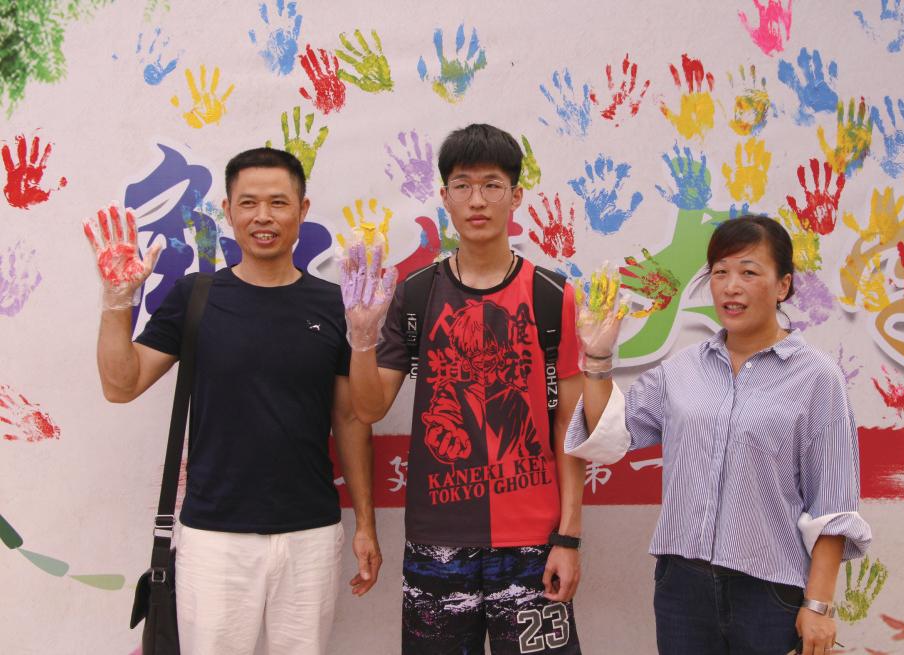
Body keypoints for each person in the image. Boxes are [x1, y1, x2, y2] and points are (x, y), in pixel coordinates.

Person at [84, 147, 381, 655]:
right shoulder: (196, 296)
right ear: (228, 210)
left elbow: (352, 419)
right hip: (213, 537)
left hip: (310, 533)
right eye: (248, 203)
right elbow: (121, 385)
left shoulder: (335, 306)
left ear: (302, 210)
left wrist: (367, 526)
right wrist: (117, 302)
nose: (263, 216)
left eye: (278, 203)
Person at [565, 215, 872, 655]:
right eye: (720, 272)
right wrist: (597, 356)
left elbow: (833, 503)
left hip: (768, 593)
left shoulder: (817, 377)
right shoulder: (682, 370)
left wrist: (818, 605)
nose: (731, 287)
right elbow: (608, 434)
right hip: (682, 588)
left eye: (749, 272)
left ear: (783, 285)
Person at [343, 123, 586, 654]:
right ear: (445, 196)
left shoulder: (553, 297)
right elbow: (369, 407)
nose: (477, 200)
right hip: (437, 541)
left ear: (515, 196)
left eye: (492, 185)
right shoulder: (416, 294)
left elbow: (571, 425)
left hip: (532, 542)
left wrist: (568, 537)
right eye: (463, 185)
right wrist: (361, 339)